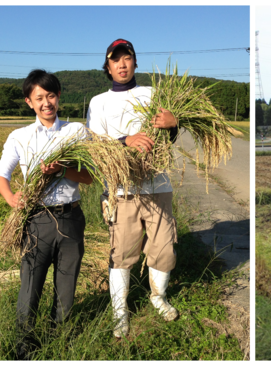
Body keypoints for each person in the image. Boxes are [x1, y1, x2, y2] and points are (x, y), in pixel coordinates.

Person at [0, 69, 92, 359]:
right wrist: (12, 198)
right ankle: (23, 346)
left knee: (66, 284)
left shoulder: (76, 131)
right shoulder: (20, 137)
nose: (46, 102)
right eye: (39, 97)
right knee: (30, 285)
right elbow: (2, 174)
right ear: (29, 102)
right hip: (37, 220)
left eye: (51, 95)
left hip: (70, 217)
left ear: (59, 96)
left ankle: (57, 339)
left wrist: (62, 170)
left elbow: (88, 177)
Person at [86, 39, 180, 338]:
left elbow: (170, 138)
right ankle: (119, 312)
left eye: (127, 59)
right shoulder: (98, 102)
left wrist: (173, 123)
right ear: (108, 67)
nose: (122, 64)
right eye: (116, 60)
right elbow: (95, 147)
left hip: (158, 185)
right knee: (122, 253)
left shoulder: (154, 95)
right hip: (121, 190)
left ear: (135, 63)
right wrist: (125, 140)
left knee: (164, 249)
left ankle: (158, 297)